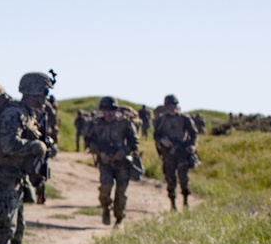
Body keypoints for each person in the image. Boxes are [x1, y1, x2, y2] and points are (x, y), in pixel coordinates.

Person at [0, 72, 55, 244]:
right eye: (45, 92)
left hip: (14, 178)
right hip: (0, 178)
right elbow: (8, 144)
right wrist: (35, 146)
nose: (46, 97)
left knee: (17, 230)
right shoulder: (14, 113)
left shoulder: (28, 114)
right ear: (35, 91)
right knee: (4, 229)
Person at [84, 97, 140, 226]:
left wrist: (123, 152)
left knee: (121, 193)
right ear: (102, 110)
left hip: (122, 163)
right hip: (105, 162)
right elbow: (88, 140)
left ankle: (119, 218)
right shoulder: (96, 124)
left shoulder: (124, 123)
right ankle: (105, 208)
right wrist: (100, 153)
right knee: (105, 187)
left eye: (113, 110)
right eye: (107, 110)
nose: (110, 113)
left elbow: (134, 142)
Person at [153, 94, 199, 210]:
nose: (172, 108)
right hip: (168, 154)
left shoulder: (184, 119)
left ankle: (185, 202)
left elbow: (194, 134)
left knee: (183, 178)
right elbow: (156, 135)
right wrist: (162, 141)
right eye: (169, 105)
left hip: (182, 152)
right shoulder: (161, 120)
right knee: (170, 179)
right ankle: (173, 204)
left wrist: (192, 146)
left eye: (173, 105)